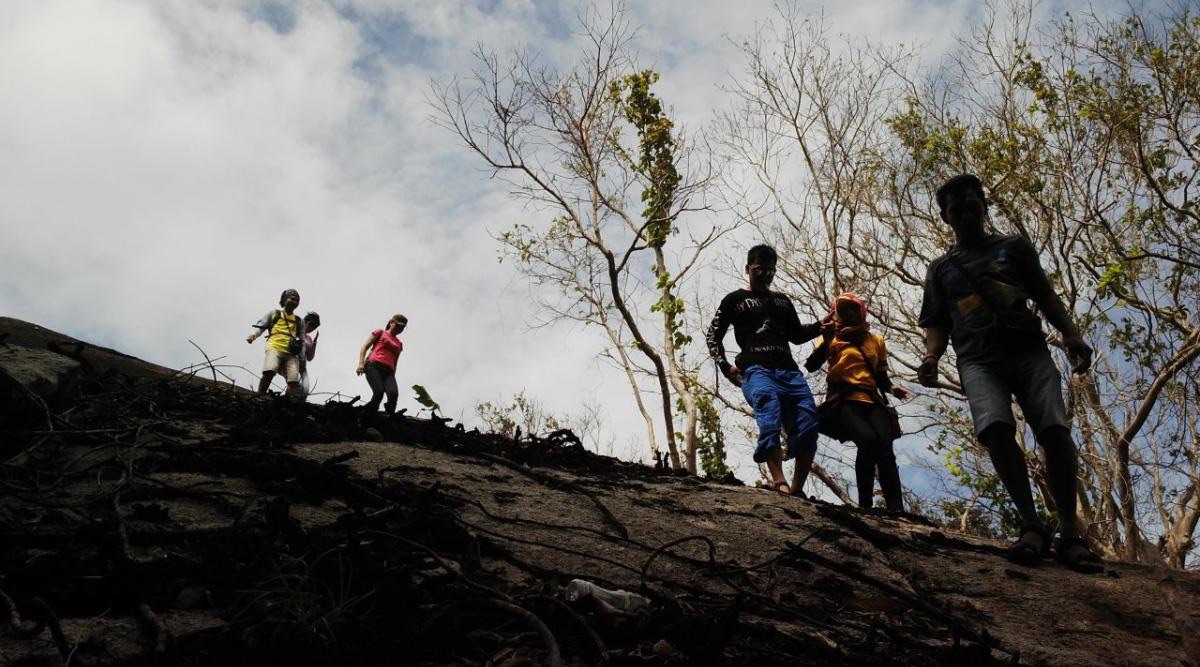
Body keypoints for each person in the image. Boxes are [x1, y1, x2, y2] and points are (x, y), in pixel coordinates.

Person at [917, 174, 1102, 572]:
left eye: (971, 204)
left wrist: (1071, 335)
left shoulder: (1013, 247)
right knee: (995, 430)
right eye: (955, 208)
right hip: (977, 359)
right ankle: (1031, 525)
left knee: (1053, 428)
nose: (965, 213)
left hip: (1028, 350)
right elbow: (937, 320)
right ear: (945, 217)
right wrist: (932, 357)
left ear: (984, 205)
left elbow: (1044, 292)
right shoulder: (940, 269)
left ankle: (1070, 533)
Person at [706, 245, 823, 495]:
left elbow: (797, 335)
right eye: (759, 270)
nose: (765, 276)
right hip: (756, 368)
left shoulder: (782, 301)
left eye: (771, 271)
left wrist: (822, 326)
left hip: (789, 371)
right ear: (748, 268)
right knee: (768, 409)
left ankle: (796, 490)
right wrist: (726, 367)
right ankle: (778, 480)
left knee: (809, 422)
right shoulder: (734, 300)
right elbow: (712, 336)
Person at [805, 293, 910, 511]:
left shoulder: (875, 340)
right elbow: (812, 365)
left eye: (853, 309)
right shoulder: (832, 337)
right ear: (838, 315)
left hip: (872, 400)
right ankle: (865, 505)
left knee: (885, 449)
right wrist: (825, 339)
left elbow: (880, 375)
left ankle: (896, 508)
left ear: (861, 311)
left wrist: (892, 388)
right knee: (868, 442)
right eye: (843, 310)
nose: (849, 313)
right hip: (844, 400)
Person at [246, 289, 306, 398]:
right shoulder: (275, 313)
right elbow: (261, 325)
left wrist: (302, 357)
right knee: (269, 371)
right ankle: (260, 396)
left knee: (293, 380)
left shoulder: (299, 321)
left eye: (297, 300)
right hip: (275, 347)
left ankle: (287, 402)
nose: (295, 302)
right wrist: (253, 335)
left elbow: (302, 340)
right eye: (292, 299)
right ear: (284, 299)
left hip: (292, 353)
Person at [357, 314, 406, 415]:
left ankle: (389, 416)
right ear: (391, 322)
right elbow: (364, 347)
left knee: (393, 394)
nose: (400, 329)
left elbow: (395, 360)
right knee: (379, 392)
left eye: (402, 327)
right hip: (373, 366)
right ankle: (367, 416)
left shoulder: (399, 344)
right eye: (398, 325)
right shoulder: (380, 332)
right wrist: (361, 364)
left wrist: (393, 375)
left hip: (389, 371)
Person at [298, 312, 320, 397]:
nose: (312, 328)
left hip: (302, 366)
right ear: (305, 322)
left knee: (305, 388)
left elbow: (310, 358)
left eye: (314, 327)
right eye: (311, 324)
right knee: (295, 385)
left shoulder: (309, 339)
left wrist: (314, 342)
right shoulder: (295, 332)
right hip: (291, 362)